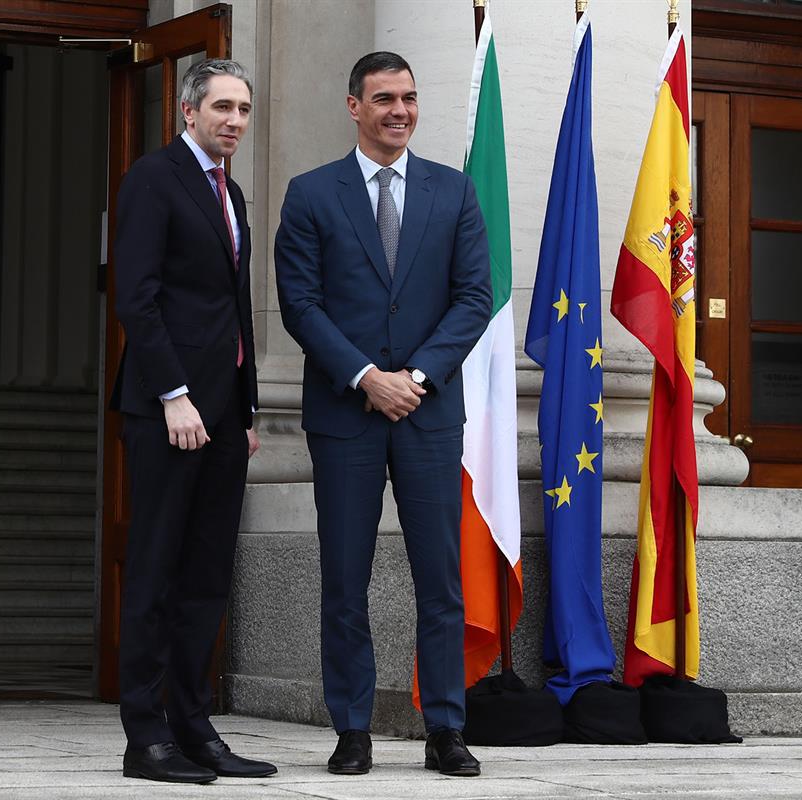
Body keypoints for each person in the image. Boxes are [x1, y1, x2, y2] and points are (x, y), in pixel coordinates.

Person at [274, 51, 492, 778]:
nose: (400, 110)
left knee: (442, 579)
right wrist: (367, 377)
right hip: (345, 415)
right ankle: (352, 731)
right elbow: (300, 305)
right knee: (345, 578)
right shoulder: (310, 194)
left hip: (429, 414)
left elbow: (473, 299)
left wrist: (417, 377)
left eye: (409, 97)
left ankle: (446, 730)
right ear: (354, 106)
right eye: (384, 99)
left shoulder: (454, 192)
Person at [110, 58, 272, 785]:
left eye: (243, 109)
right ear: (187, 110)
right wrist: (175, 393)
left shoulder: (231, 190)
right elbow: (135, 297)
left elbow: (230, 315)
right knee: (155, 572)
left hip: (221, 418)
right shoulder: (154, 177)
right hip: (166, 411)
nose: (235, 120)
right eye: (223, 108)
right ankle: (145, 738)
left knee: (206, 576)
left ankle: (195, 728)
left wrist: (243, 410)